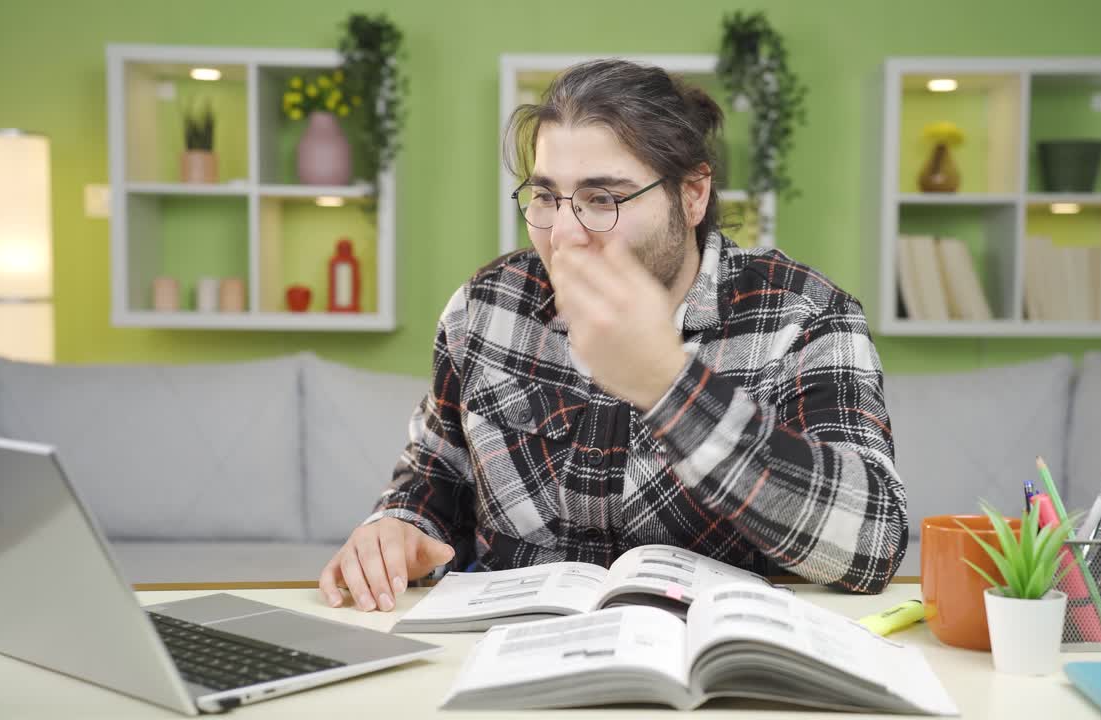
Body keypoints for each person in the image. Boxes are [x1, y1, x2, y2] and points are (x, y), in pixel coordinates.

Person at [319, 59, 907, 613]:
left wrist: (670, 387)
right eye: (546, 197)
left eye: (602, 199)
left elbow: (873, 544)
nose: (564, 235)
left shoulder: (805, 317)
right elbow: (435, 473)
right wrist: (398, 525)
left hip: (710, 659)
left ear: (693, 194)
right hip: (508, 652)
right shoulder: (484, 307)